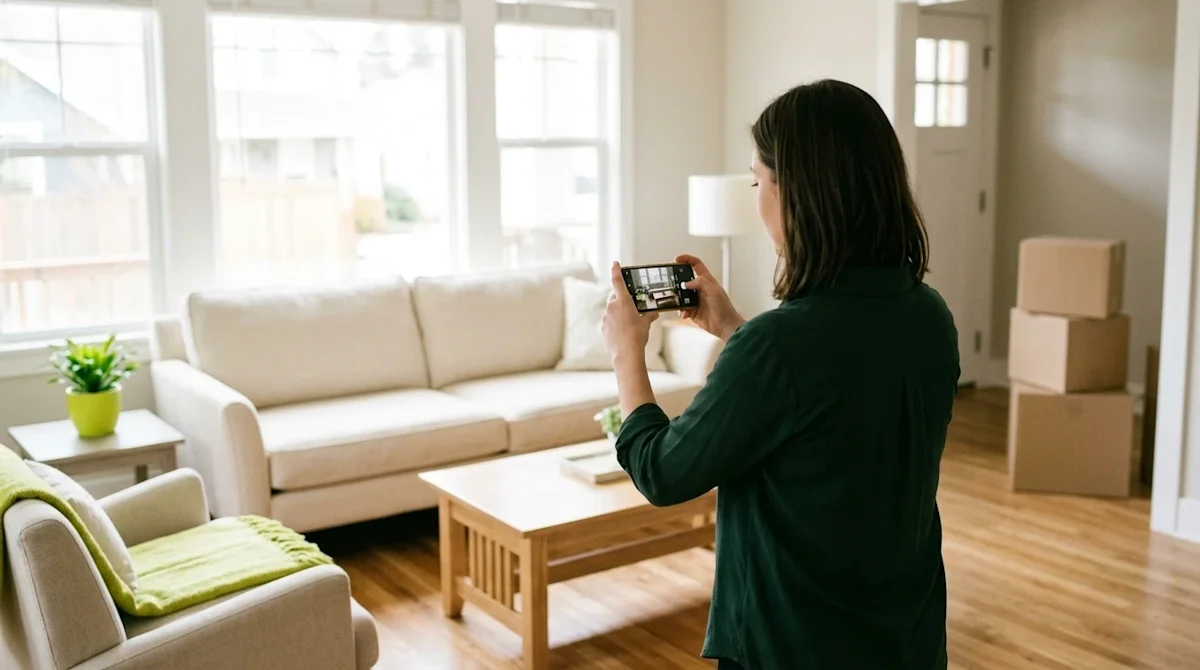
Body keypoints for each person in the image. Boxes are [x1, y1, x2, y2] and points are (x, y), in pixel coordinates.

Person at [600, 79, 960, 669]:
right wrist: (734, 327)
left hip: (792, 642)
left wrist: (626, 355)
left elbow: (662, 472)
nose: (757, 197)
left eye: (757, 181)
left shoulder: (780, 346)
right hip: (904, 633)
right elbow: (835, 406)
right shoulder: (929, 315)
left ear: (795, 192)